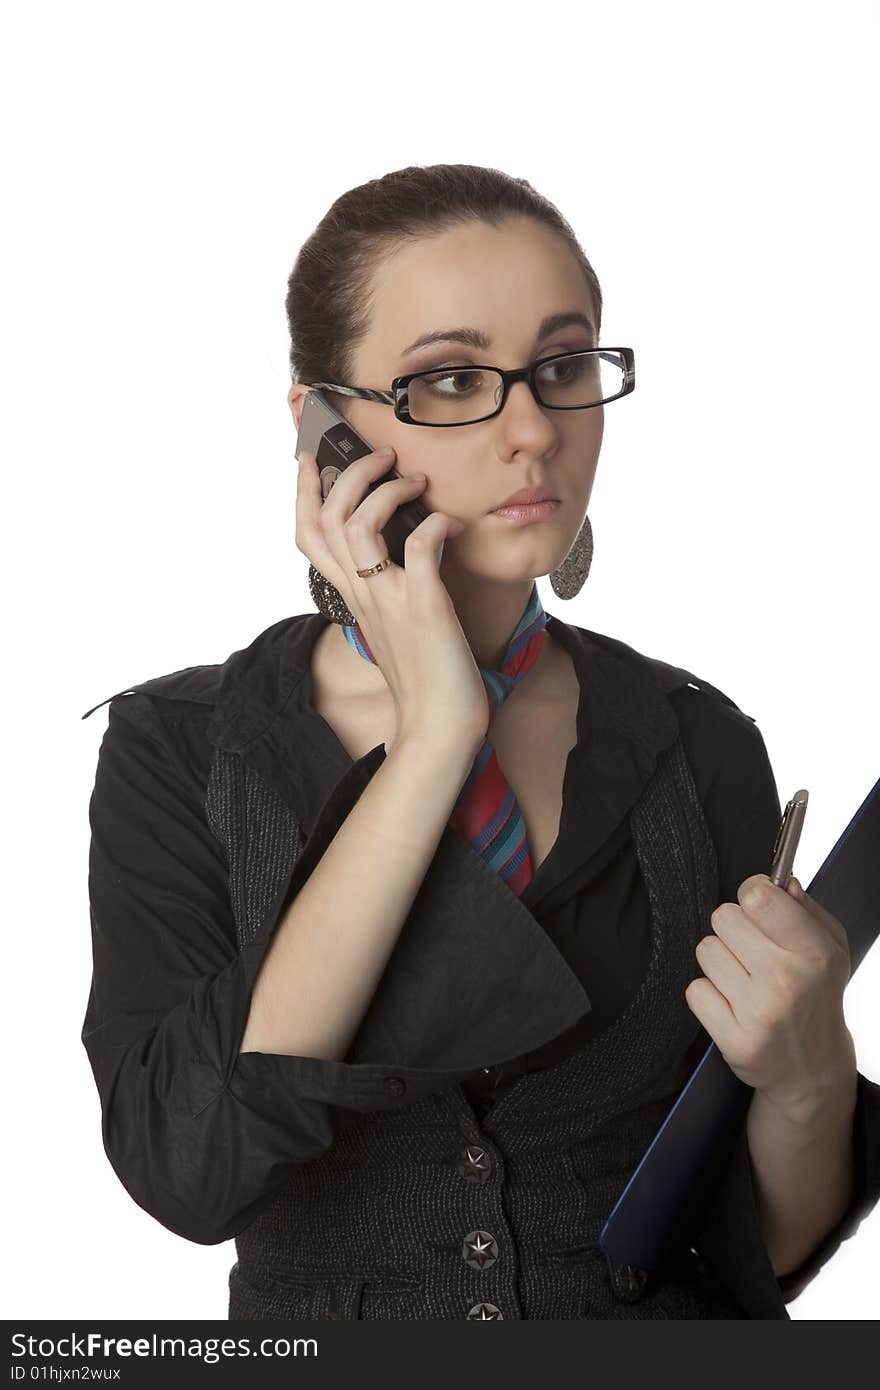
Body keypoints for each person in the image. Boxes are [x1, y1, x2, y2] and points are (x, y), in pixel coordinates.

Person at [81, 163, 880, 1321]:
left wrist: (806, 1069)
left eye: (563, 367)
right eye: (449, 380)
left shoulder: (696, 741)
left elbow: (750, 1246)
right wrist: (435, 738)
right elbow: (187, 1166)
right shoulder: (182, 751)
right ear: (320, 426)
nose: (530, 430)